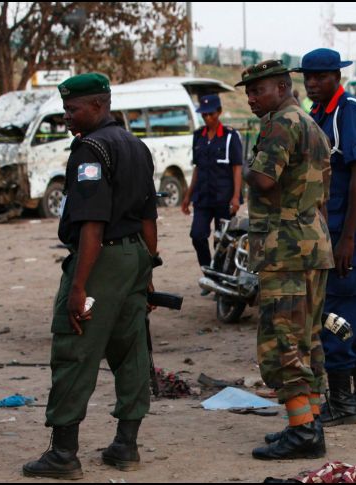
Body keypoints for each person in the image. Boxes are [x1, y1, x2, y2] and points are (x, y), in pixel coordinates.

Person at [22, 73, 161, 479]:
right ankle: (126, 445)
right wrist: (148, 270)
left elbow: (92, 225)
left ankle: (63, 455)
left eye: (72, 109)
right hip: (135, 256)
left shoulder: (91, 150)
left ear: (98, 106)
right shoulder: (136, 146)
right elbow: (149, 217)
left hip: (102, 260)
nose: (66, 117)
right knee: (130, 347)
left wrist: (79, 287)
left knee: (74, 345)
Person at [236, 59, 334, 460]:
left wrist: (242, 169)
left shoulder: (281, 123)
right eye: (248, 92)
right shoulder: (311, 124)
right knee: (308, 337)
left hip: (285, 248)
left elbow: (264, 179)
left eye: (257, 91)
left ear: (281, 87)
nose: (251, 98)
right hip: (311, 243)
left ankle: (303, 430)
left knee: (283, 339)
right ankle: (308, 422)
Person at [294, 48, 356, 429]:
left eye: (320, 77)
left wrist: (347, 238)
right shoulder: (318, 114)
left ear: (336, 76)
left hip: (350, 232)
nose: (312, 84)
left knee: (336, 314)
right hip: (330, 230)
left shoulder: (349, 111)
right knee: (355, 312)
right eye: (307, 78)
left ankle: (344, 402)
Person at [180, 94, 243, 274]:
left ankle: (222, 276)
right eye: (204, 114)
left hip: (224, 197)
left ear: (219, 112)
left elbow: (237, 168)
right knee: (197, 236)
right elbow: (197, 168)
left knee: (222, 241)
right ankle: (208, 271)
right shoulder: (198, 136)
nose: (207, 118)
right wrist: (188, 196)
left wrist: (236, 197)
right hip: (203, 197)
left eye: (211, 114)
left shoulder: (231, 136)